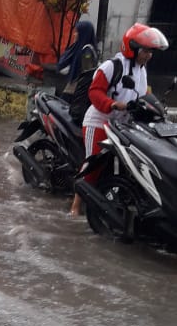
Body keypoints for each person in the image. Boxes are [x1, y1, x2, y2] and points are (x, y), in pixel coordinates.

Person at [69, 21, 169, 216]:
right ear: (132, 49)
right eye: (145, 51)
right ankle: (75, 207)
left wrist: (154, 108)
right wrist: (112, 104)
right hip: (99, 122)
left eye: (151, 52)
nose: (149, 56)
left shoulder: (142, 70)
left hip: (123, 126)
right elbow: (95, 92)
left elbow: (144, 95)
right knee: (93, 164)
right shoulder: (111, 66)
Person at [57, 18, 98, 102]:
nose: (74, 35)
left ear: (83, 34)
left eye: (77, 32)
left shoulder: (86, 52)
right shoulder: (78, 49)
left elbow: (86, 75)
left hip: (76, 91)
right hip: (73, 88)